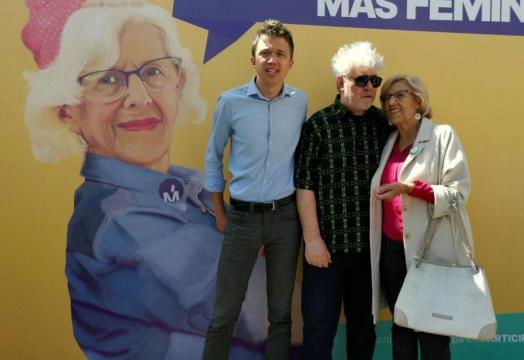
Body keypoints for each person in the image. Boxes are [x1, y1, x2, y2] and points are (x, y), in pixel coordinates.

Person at [22, 1, 268, 359]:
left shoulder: (182, 186)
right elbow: (260, 312)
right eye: (106, 80)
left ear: (179, 83)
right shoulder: (119, 222)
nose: (138, 98)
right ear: (68, 109)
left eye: (153, 72)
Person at [202, 19, 307, 360]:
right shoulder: (230, 103)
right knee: (224, 314)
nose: (272, 60)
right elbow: (213, 156)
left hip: (285, 219)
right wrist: (220, 212)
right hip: (241, 219)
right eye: (265, 53)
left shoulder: (299, 103)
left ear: (291, 62)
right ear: (253, 61)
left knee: (279, 315)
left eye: (280, 54)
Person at [295, 41, 391, 359]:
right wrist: (312, 240)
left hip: (369, 252)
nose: (369, 88)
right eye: (361, 80)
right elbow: (304, 184)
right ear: (341, 82)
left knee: (364, 332)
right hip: (326, 253)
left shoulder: (384, 127)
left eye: (374, 81)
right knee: (318, 331)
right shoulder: (318, 127)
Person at [369, 74, 473, 360]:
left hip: (431, 254)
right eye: (387, 97)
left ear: (419, 100)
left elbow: (458, 194)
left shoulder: (442, 136)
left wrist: (410, 189)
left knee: (433, 334)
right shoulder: (389, 142)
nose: (392, 101)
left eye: (400, 94)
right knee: (402, 329)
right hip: (392, 253)